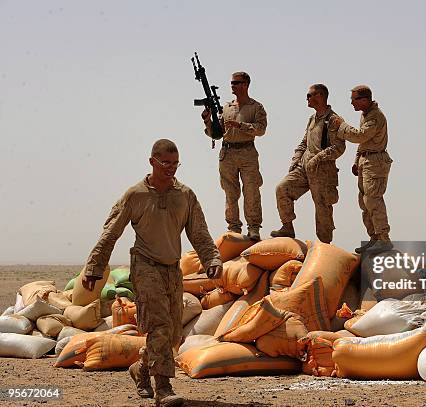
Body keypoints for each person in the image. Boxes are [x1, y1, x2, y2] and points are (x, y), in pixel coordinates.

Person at [81, 139, 222, 407]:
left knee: (171, 336)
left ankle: (141, 369)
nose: (171, 169)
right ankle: (164, 389)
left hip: (172, 268)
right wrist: (94, 268)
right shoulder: (136, 195)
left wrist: (212, 259)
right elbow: (111, 232)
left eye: (175, 163)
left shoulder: (185, 195)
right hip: (145, 265)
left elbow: (199, 232)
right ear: (152, 162)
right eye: (165, 163)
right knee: (159, 326)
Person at [271, 84, 345, 243]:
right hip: (303, 167)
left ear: (320, 96)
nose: (307, 99)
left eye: (310, 95)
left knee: (322, 206)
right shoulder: (312, 119)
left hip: (322, 170)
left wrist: (318, 158)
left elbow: (339, 147)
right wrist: (296, 159)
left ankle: (325, 244)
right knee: (282, 188)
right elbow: (304, 142)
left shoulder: (333, 120)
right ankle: (287, 227)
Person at [201, 71, 267, 241]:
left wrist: (240, 125)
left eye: (236, 83)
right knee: (230, 193)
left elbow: (261, 129)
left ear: (245, 85)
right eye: (232, 83)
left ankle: (253, 227)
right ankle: (234, 228)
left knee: (251, 190)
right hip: (227, 153)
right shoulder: (226, 108)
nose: (233, 86)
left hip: (247, 153)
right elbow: (216, 134)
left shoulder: (256, 107)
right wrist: (208, 121)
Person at [331, 85, 393, 253]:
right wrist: (357, 160)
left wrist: (341, 126)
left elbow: (360, 136)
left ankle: (383, 240)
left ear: (364, 100)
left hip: (376, 163)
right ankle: (374, 238)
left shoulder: (375, 117)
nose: (352, 103)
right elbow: (364, 142)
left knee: (373, 200)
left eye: (354, 99)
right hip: (366, 161)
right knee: (364, 202)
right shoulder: (365, 115)